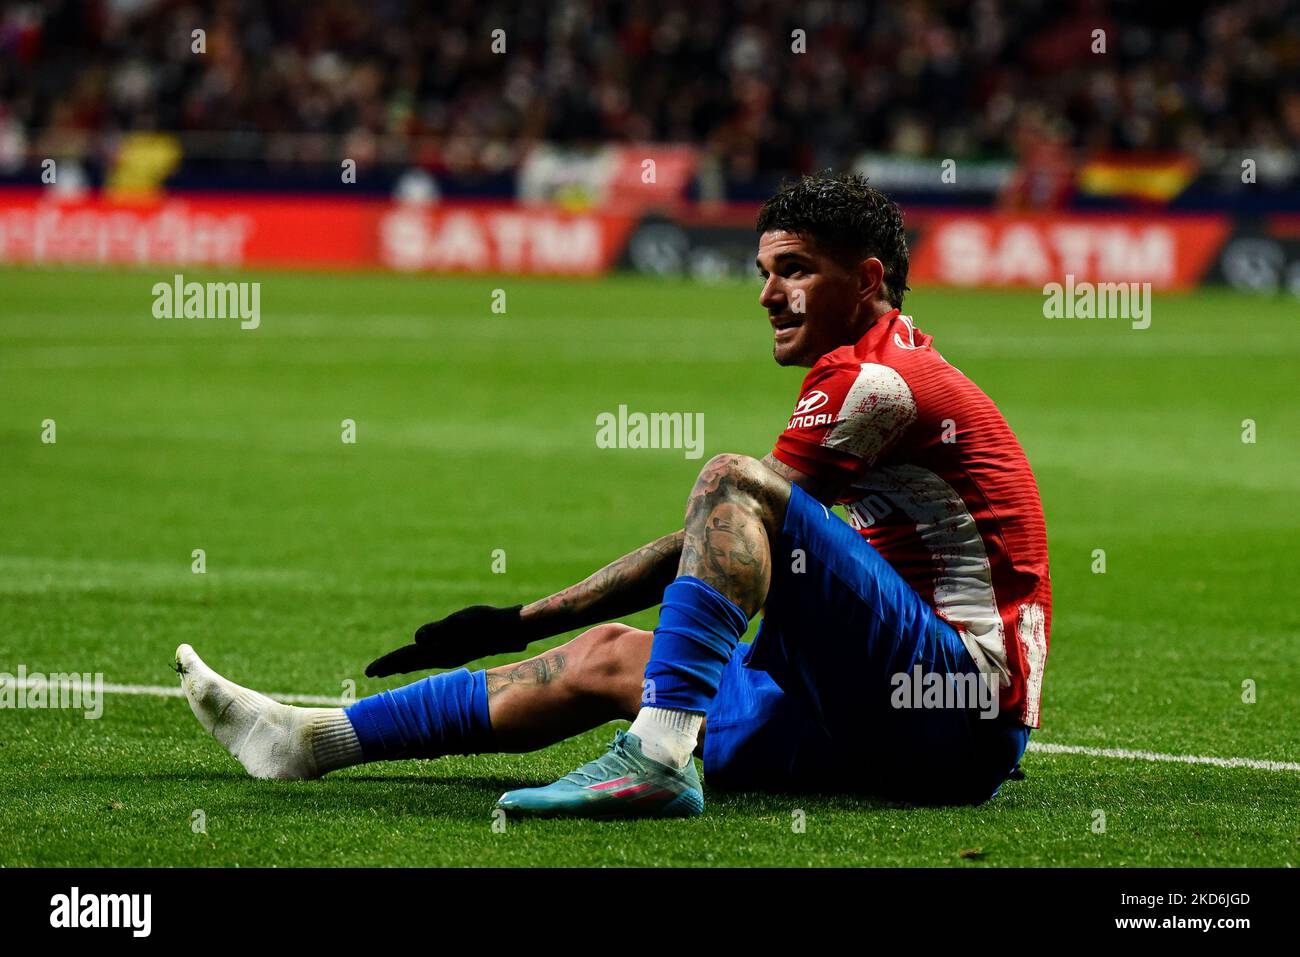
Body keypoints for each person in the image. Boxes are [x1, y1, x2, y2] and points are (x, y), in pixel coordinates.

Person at [176, 172, 1051, 818]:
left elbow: (727, 514)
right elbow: (718, 541)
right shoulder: (871, 376)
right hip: (876, 717)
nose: (766, 294)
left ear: (865, 281)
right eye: (763, 268)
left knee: (728, 476)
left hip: (956, 716)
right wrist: (529, 622)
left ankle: (660, 756)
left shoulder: (877, 382)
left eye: (793, 269)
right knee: (605, 655)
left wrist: (521, 616)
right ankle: (308, 741)